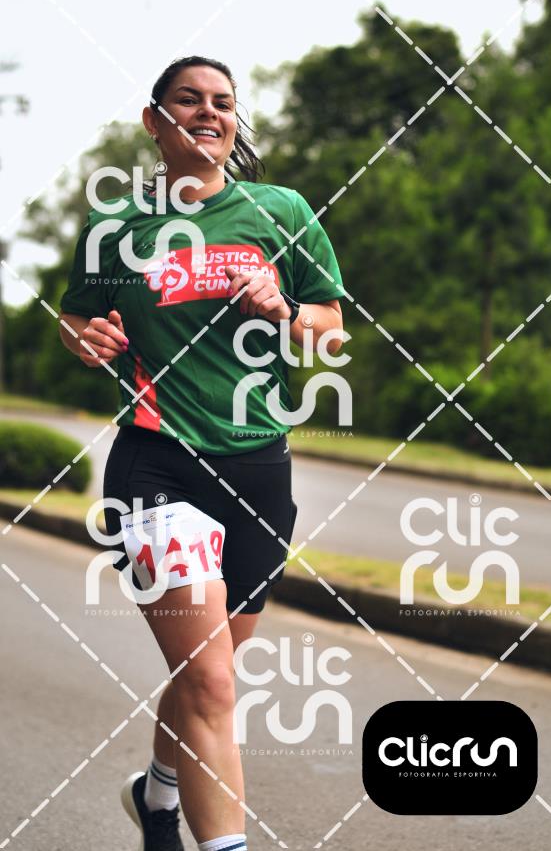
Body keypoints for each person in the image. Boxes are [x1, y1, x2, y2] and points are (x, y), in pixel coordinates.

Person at [59, 55, 345, 851]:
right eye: (188, 100)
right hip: (158, 464)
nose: (208, 113)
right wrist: (86, 338)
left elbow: (330, 328)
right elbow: (75, 316)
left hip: (259, 471)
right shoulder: (117, 227)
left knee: (204, 672)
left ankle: (155, 796)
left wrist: (286, 309)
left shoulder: (280, 210)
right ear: (155, 122)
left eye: (222, 101)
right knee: (213, 680)